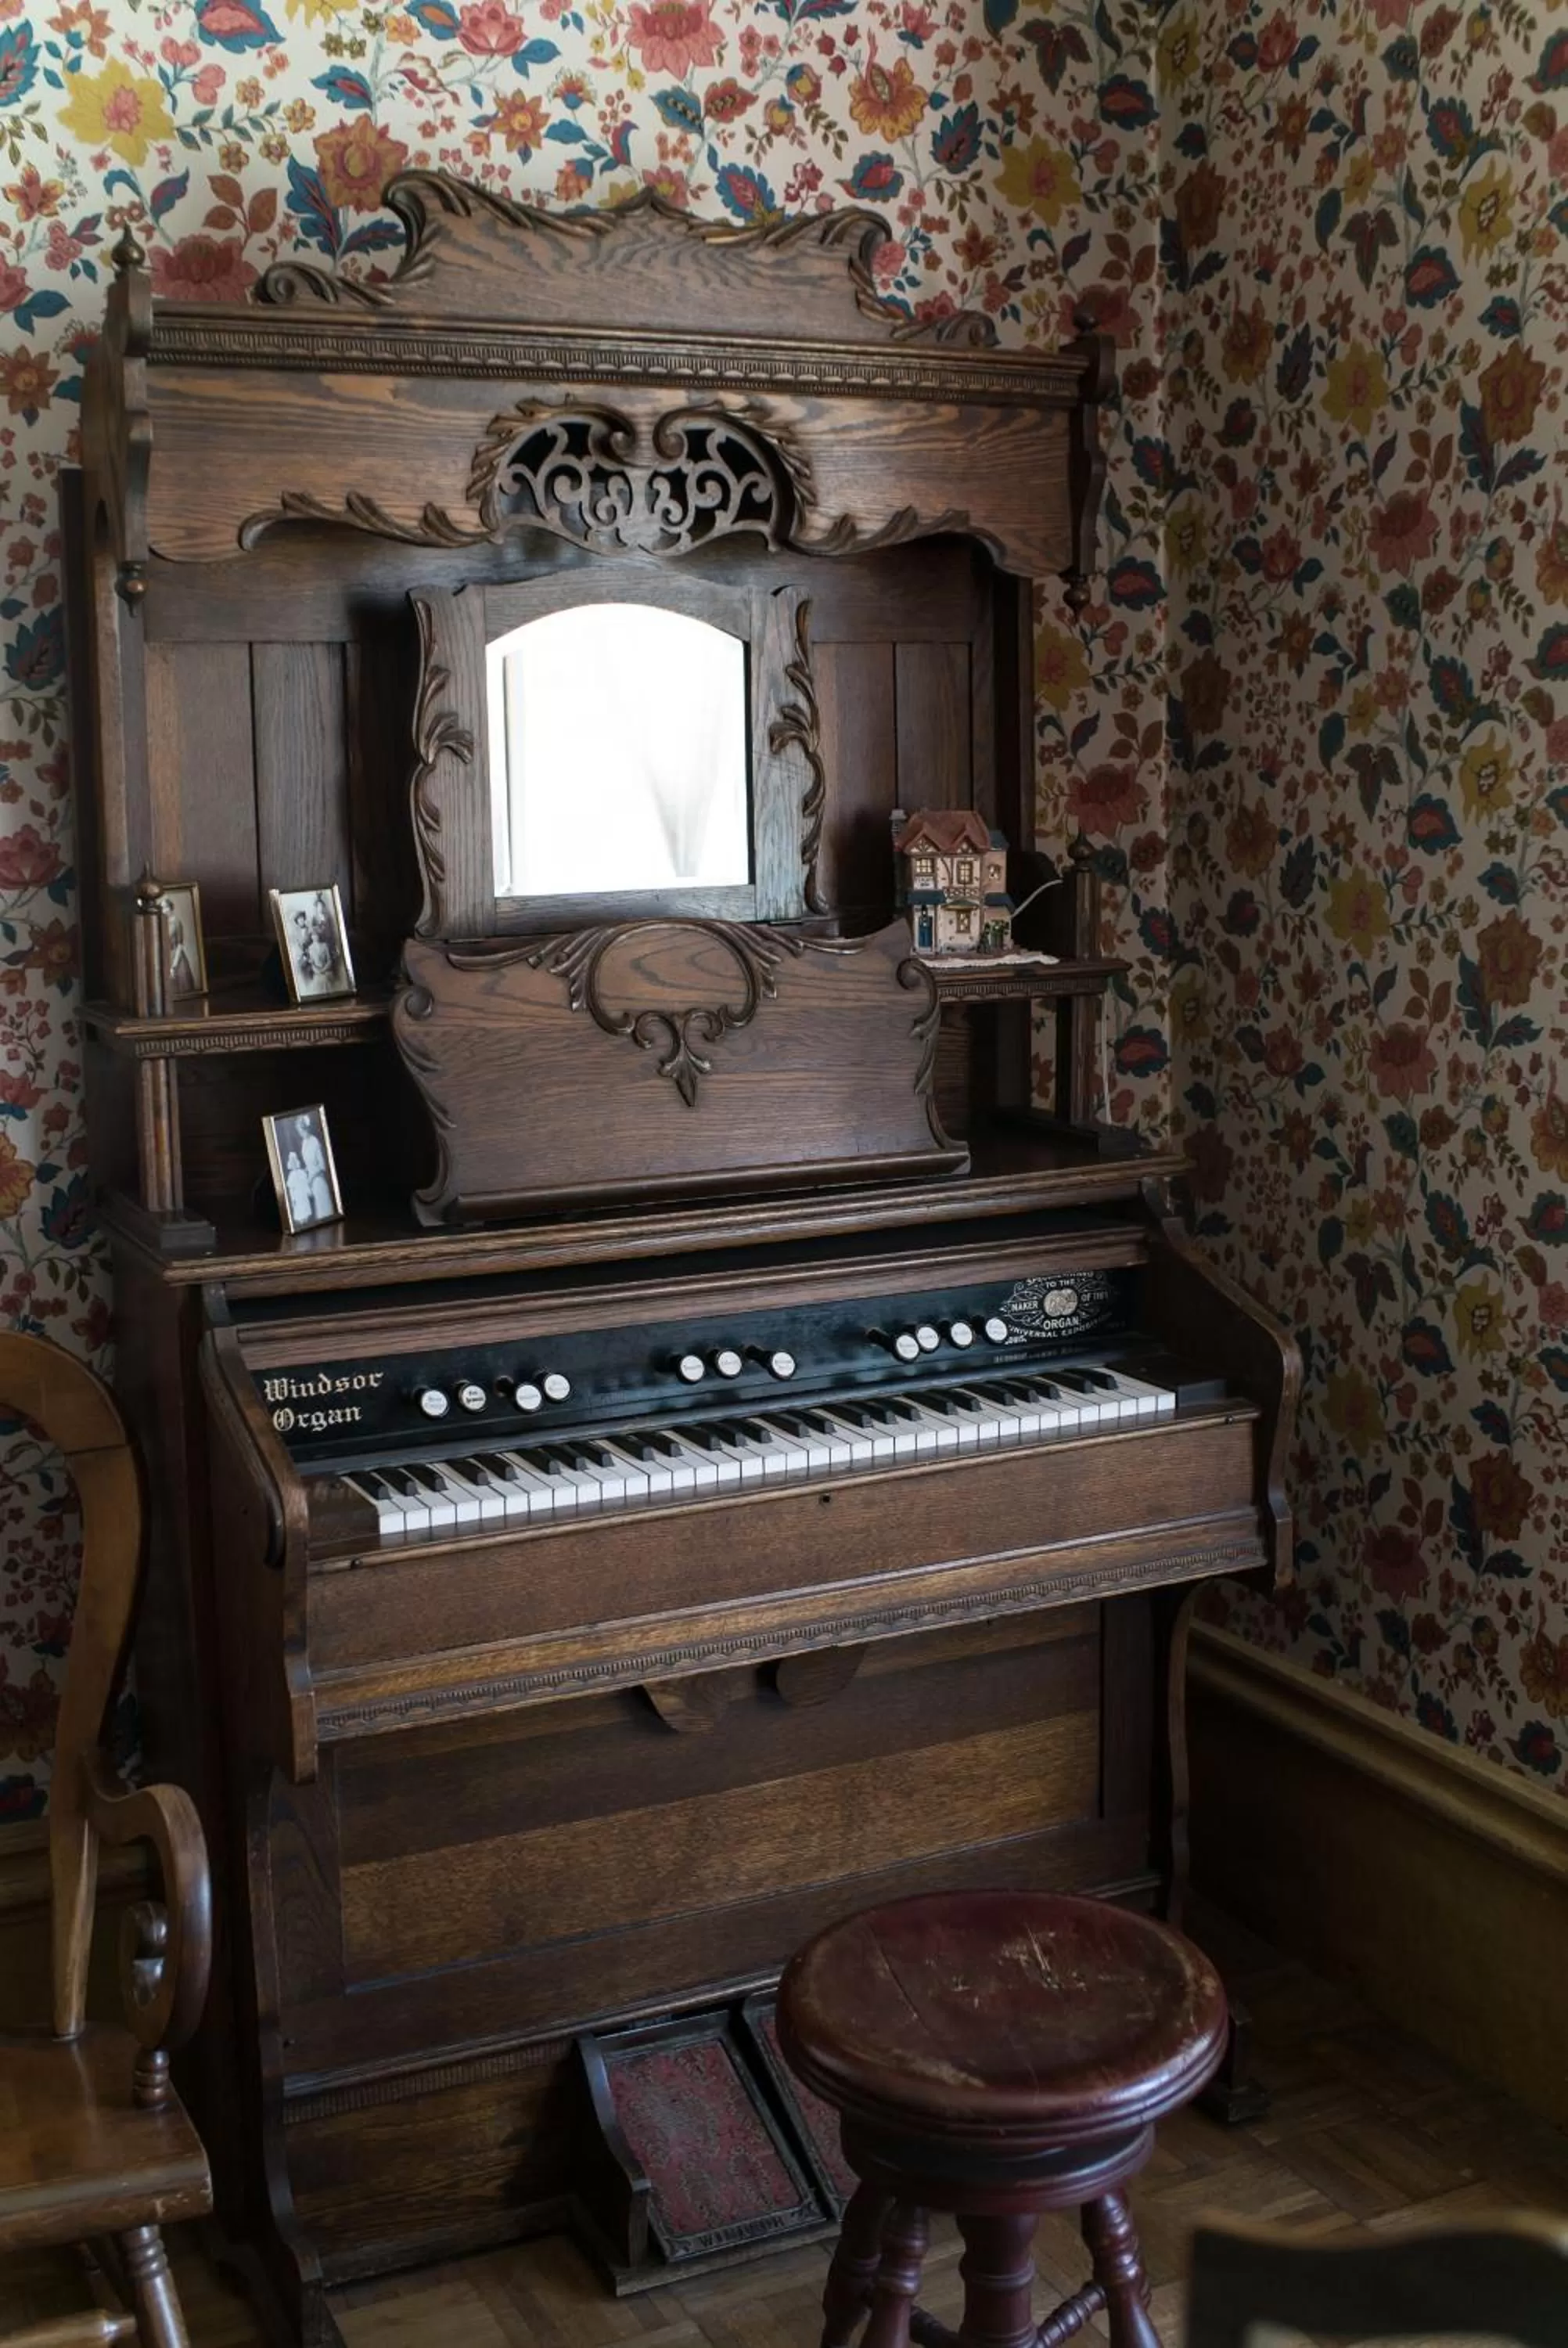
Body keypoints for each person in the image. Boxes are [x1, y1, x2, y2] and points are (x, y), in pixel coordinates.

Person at [297, 1116, 336, 1221]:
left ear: (304, 1128)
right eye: (298, 1131)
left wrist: (312, 1178)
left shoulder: (315, 1142)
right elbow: (309, 1164)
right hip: (312, 1183)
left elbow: (322, 1166)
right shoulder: (304, 1143)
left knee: (325, 1213)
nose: (299, 1133)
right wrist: (304, 1172)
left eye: (300, 1130)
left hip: (319, 1181)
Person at [283, 1149, 315, 1229]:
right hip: (297, 1197)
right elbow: (291, 1190)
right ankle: (302, 1226)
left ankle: (307, 1224)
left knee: (306, 1211)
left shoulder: (302, 1172)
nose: (294, 1164)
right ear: (290, 1164)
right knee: (300, 1213)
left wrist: (309, 1192)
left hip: (303, 1196)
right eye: (292, 1162)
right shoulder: (291, 1176)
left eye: (295, 1162)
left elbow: (306, 1184)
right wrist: (292, 1201)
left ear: (297, 1162)